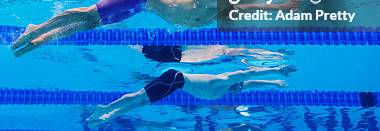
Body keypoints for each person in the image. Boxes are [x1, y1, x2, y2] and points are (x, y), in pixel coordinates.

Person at [10, 0, 298, 56]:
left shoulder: (214, 18)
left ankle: (43, 38)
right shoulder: (215, 0)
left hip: (140, 7)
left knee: (89, 24)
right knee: (88, 14)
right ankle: (39, 28)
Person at [86, 64, 297, 125]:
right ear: (236, 83)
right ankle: (107, 110)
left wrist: (274, 83)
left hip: (174, 82)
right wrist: (276, 70)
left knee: (141, 101)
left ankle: (108, 112)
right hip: (174, 79)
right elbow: (247, 74)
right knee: (138, 98)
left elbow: (250, 83)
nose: (240, 90)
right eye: (240, 87)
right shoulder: (224, 80)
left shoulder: (229, 88)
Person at [137, 45, 288, 64]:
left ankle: (273, 55)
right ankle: (274, 55)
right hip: (180, 56)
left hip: (178, 56)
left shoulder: (218, 50)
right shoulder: (219, 50)